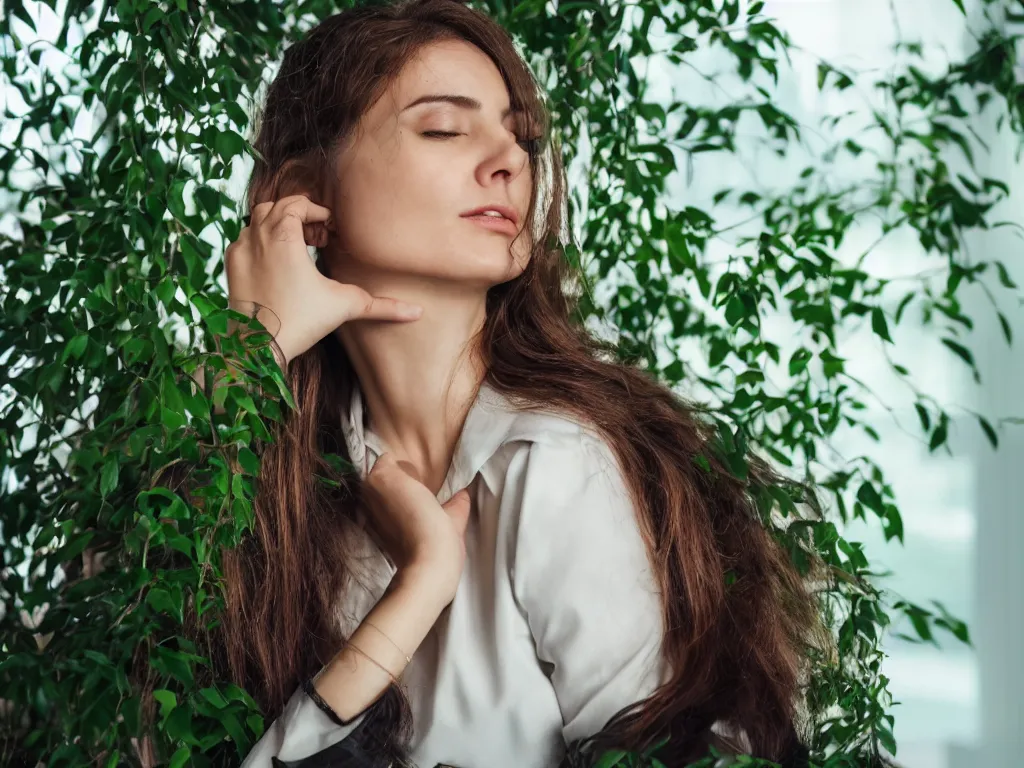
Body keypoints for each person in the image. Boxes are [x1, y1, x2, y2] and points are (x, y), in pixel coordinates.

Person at [200, 1, 828, 766]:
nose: (508, 159)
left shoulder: (555, 465)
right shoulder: (282, 484)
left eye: (520, 136)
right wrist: (248, 357)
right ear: (306, 194)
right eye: (442, 128)